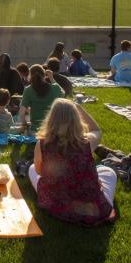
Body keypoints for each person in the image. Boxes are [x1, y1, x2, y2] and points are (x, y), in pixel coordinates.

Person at [29, 98, 117, 226]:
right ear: (76, 119)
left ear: (51, 118)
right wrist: (79, 108)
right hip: (89, 207)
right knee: (108, 171)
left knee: (32, 168)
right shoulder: (87, 142)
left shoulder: (42, 144)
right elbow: (96, 130)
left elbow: (39, 171)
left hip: (55, 203)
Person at [18, 65, 64, 132]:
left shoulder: (28, 90)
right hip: (52, 129)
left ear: (30, 76)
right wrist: (51, 78)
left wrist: (25, 125)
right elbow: (62, 93)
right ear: (44, 75)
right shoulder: (54, 88)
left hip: (35, 130)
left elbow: (21, 113)